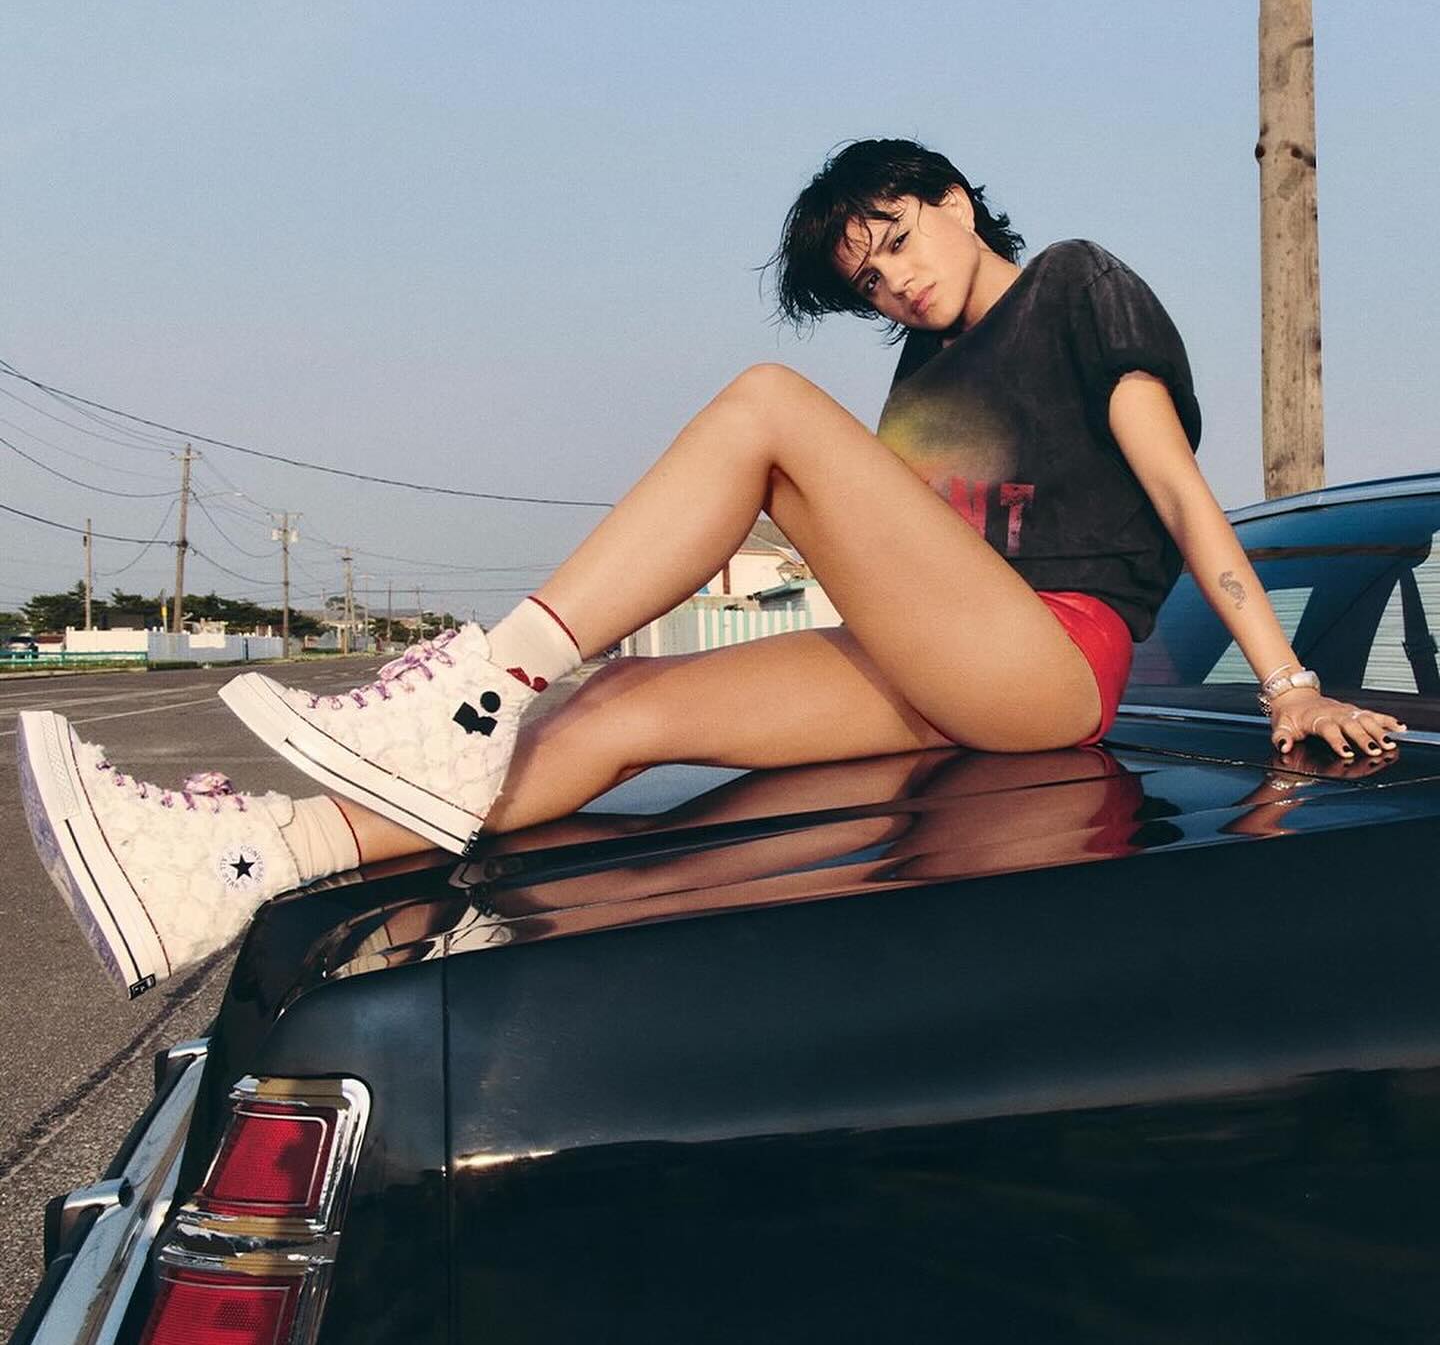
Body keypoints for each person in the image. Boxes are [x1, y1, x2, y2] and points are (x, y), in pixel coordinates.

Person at [17, 139, 1407, 998]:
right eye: (866, 280)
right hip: (953, 659)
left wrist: (1286, 680)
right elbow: (895, 560)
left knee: (763, 405)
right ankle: (251, 855)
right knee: (621, 707)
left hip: (1057, 657)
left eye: (897, 238)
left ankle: (483, 678)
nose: (892, 282)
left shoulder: (1076, 285)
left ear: (956, 196)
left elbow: (1175, 486)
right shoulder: (921, 382)